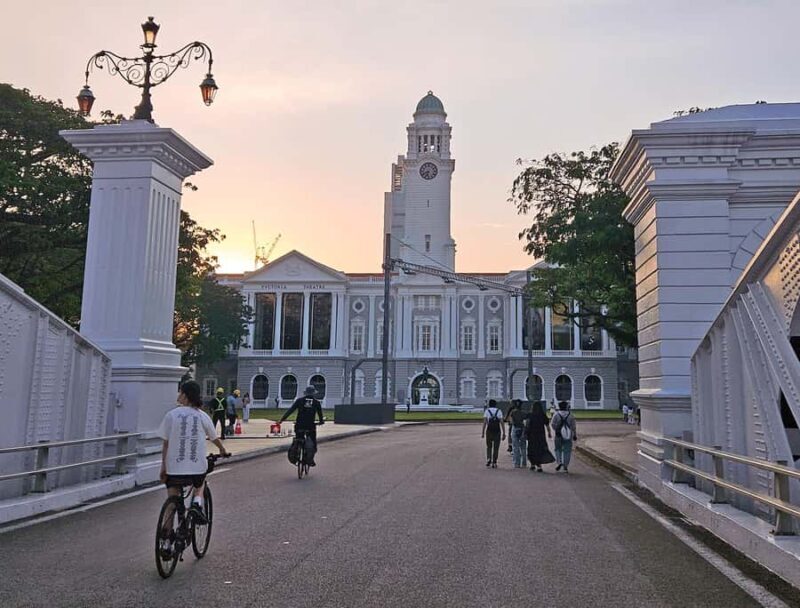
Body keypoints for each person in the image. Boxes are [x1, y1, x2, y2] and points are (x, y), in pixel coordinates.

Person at [157, 380, 229, 556]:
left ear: (185, 395)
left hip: (173, 469)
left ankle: (166, 543)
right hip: (196, 468)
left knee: (172, 504)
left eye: (180, 392)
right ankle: (197, 502)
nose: (178, 395)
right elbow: (214, 437)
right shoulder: (202, 416)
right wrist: (222, 450)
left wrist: (163, 467)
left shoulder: (171, 415)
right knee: (200, 480)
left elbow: (165, 445)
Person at [279, 386, 324, 465]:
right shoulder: (316, 402)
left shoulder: (299, 401)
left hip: (299, 425)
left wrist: (282, 419)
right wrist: (321, 421)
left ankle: (297, 450)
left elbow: (291, 410)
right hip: (310, 426)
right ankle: (310, 459)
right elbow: (320, 414)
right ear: (313, 393)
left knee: (299, 438)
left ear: (306, 393)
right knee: (313, 442)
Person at [526, 400, 555, 472]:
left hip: (532, 435)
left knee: (531, 449)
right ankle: (539, 465)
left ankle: (532, 464)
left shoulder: (530, 414)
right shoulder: (542, 415)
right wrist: (549, 433)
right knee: (540, 449)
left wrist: (526, 433)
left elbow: (527, 425)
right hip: (540, 435)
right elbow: (547, 425)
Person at [551, 401, 578, 473]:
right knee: (567, 450)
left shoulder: (556, 414)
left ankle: (559, 462)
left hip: (558, 434)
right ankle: (565, 466)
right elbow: (573, 426)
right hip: (568, 435)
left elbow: (552, 424)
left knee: (557, 449)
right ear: (566, 407)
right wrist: (574, 434)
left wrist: (557, 429)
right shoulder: (570, 415)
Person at [481, 399, 505, 468]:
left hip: (489, 430)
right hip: (497, 430)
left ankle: (489, 458)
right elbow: (502, 422)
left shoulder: (487, 411)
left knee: (489, 446)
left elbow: (485, 422)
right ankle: (494, 461)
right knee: (496, 447)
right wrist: (503, 433)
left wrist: (483, 432)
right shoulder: (499, 411)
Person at [506, 399, 527, 468]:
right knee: (523, 447)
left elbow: (511, 421)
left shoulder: (512, 412)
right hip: (522, 429)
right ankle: (524, 463)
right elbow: (526, 421)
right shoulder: (523, 413)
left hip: (515, 428)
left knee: (515, 447)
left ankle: (517, 463)